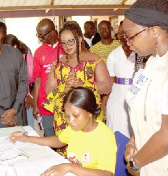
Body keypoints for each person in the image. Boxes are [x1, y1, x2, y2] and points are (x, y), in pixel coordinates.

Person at [9, 87, 117, 176]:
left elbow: (107, 173)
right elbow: (58, 141)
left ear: (90, 112)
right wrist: (27, 139)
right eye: (67, 116)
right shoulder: (76, 128)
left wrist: (70, 167)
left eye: (76, 116)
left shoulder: (105, 136)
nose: (71, 121)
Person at [43, 21, 112, 156]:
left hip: (89, 115)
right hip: (64, 117)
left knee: (89, 153)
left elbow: (106, 86)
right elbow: (49, 90)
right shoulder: (58, 63)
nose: (67, 46)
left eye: (70, 41)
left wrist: (84, 85)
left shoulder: (95, 60)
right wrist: (64, 87)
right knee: (67, 153)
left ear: (80, 39)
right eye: (63, 43)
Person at [122, 0, 168, 175]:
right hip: (148, 161)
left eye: (130, 35)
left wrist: (136, 163)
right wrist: (133, 142)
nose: (127, 42)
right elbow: (147, 115)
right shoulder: (150, 62)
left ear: (155, 31)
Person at [33, 18, 64, 137]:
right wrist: (36, 104)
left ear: (53, 32)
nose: (40, 38)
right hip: (45, 103)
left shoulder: (65, 47)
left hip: (63, 102)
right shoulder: (38, 52)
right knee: (49, 134)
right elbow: (37, 80)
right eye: (38, 35)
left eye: (43, 35)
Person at [106, 21, 135, 138]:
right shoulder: (114, 54)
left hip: (135, 95)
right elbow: (110, 82)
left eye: (126, 33)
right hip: (118, 97)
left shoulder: (141, 53)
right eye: (121, 33)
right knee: (117, 131)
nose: (124, 36)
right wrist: (105, 103)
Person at [3, 34, 36, 129]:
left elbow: (37, 79)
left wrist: (32, 96)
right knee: (15, 128)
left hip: (26, 100)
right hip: (12, 101)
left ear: (15, 46)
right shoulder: (5, 61)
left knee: (28, 127)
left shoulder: (27, 58)